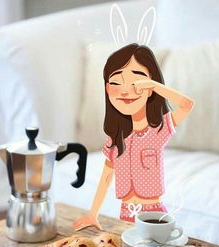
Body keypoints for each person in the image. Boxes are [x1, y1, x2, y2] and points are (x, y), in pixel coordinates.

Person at [73, 43, 194, 230]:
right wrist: (93, 213)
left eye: (136, 83)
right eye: (116, 83)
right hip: (125, 213)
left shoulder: (158, 130)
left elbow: (187, 104)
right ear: (107, 88)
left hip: (153, 215)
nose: (125, 90)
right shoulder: (116, 140)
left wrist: (154, 85)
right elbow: (106, 177)